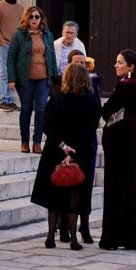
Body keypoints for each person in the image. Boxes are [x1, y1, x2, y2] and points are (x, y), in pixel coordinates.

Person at [30, 63, 100, 251]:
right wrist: (72, 151)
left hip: (56, 150)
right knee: (74, 196)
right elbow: (91, 127)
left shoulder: (57, 99)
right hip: (80, 152)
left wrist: (63, 146)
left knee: (55, 195)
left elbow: (47, 125)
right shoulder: (91, 101)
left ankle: (50, 236)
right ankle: (74, 238)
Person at [99, 49, 136, 251]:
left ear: (131, 66)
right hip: (131, 140)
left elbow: (107, 110)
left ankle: (113, 237)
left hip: (121, 142)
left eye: (120, 62)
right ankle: (129, 237)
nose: (116, 66)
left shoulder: (125, 86)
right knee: (128, 187)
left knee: (116, 189)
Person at [58, 49, 102, 244]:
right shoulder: (60, 91)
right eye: (76, 62)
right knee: (65, 186)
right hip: (68, 145)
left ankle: (84, 227)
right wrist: (63, 145)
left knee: (85, 187)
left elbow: (95, 118)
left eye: (83, 63)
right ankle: (65, 229)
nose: (80, 66)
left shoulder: (92, 92)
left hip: (85, 145)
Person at [7, 6, 58, 154]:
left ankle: (37, 142)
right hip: (25, 79)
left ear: (41, 19)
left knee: (41, 110)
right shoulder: (19, 35)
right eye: (31, 17)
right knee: (26, 110)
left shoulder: (47, 35)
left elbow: (52, 57)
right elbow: (11, 57)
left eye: (37, 17)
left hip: (43, 79)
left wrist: (54, 77)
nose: (34, 19)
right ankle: (24, 142)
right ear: (26, 19)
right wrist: (12, 78)